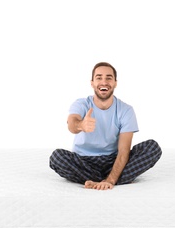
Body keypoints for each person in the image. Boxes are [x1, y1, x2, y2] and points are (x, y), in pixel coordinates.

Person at [49, 62, 162, 190]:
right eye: (99, 78)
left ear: (115, 83)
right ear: (92, 83)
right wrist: (81, 125)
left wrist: (111, 179)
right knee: (57, 157)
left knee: (152, 147)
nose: (104, 82)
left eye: (109, 78)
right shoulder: (81, 104)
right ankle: (117, 179)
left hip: (113, 161)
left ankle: (104, 180)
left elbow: (123, 151)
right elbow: (71, 124)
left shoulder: (126, 110)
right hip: (84, 161)